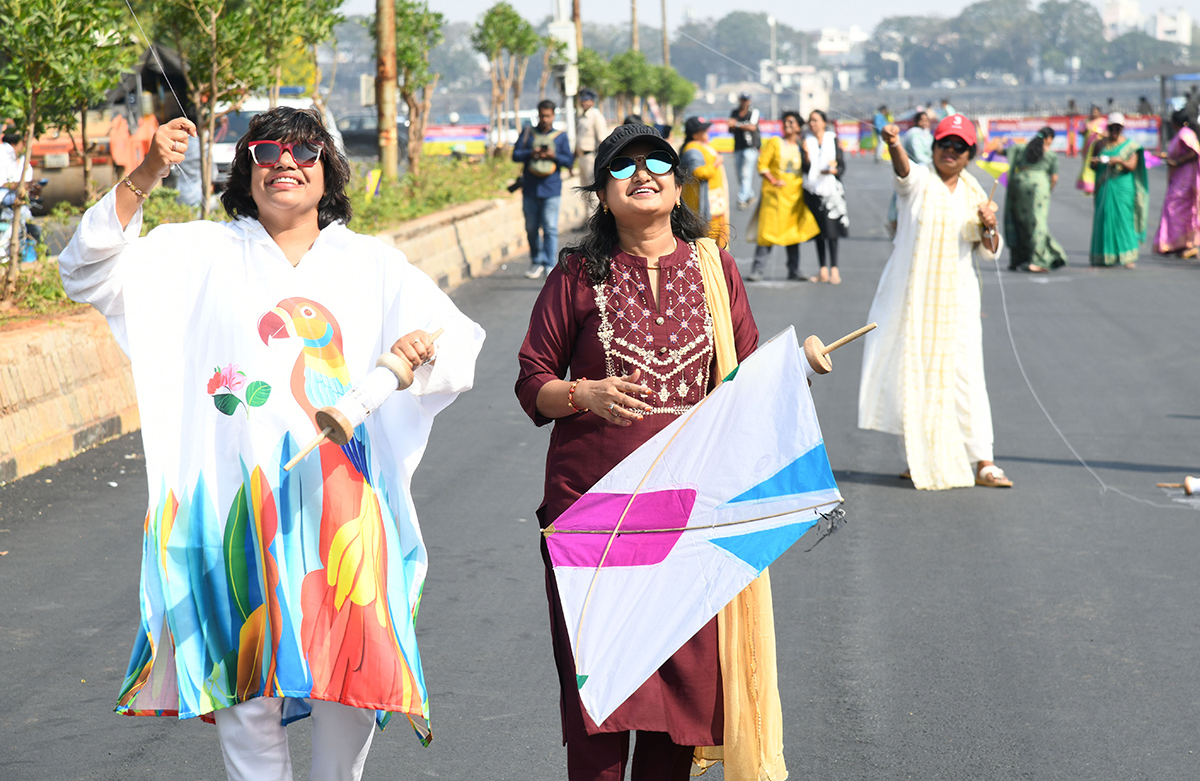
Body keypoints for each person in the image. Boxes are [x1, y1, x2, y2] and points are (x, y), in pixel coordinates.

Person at [58, 106, 486, 781]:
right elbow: (85, 269)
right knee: (247, 689)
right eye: (266, 151)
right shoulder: (195, 252)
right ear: (244, 172)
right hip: (232, 509)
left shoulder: (371, 264)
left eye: (305, 151)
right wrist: (148, 169)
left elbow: (459, 342)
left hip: (342, 514)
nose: (285, 163)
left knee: (348, 682)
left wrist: (420, 350)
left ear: (328, 169)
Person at [516, 121, 782, 781]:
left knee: (679, 706)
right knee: (600, 700)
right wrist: (585, 394)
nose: (642, 173)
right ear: (602, 194)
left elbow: (746, 382)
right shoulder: (577, 274)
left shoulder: (716, 269)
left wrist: (795, 370)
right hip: (594, 516)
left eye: (656, 161)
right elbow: (532, 381)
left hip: (689, 517)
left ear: (678, 180)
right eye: (622, 166)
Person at [859, 113, 1011, 490]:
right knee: (916, 371)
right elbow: (904, 174)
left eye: (959, 148)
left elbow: (990, 251)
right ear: (935, 146)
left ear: (970, 154)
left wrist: (991, 226)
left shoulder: (976, 192)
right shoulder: (921, 181)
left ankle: (984, 461)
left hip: (958, 302)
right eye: (945, 144)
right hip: (915, 299)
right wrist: (894, 143)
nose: (951, 152)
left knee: (966, 376)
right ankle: (921, 454)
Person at [747, 111, 819, 282]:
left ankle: (794, 269)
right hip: (774, 196)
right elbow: (762, 165)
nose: (787, 125)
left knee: (792, 233)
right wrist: (773, 180)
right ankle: (758, 269)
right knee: (767, 232)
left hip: (794, 197)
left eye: (791, 122)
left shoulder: (802, 146)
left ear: (798, 127)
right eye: (785, 122)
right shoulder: (775, 142)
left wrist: (808, 154)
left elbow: (808, 170)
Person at [514, 99, 575, 280]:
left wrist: (553, 155)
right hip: (530, 189)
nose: (545, 119)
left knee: (549, 228)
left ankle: (549, 264)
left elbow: (569, 161)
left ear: (553, 115)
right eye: (542, 115)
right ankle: (536, 261)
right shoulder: (528, 134)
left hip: (551, 189)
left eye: (548, 116)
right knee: (531, 228)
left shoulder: (560, 137)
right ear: (538, 115)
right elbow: (515, 155)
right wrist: (531, 153)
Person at [1003, 126, 1067, 272]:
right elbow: (1054, 178)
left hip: (1019, 185)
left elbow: (1005, 151)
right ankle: (1038, 259)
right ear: (1049, 138)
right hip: (1039, 187)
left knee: (1021, 221)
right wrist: (1048, 190)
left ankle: (1018, 258)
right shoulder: (1050, 155)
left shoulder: (1022, 149)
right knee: (1038, 223)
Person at [1089, 112, 1148, 268]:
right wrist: (1096, 163)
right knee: (1105, 218)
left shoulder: (1130, 146)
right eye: (1111, 128)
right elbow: (1092, 164)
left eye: (1118, 128)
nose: (1114, 131)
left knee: (1124, 219)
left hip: (1123, 186)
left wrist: (1118, 160)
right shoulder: (1100, 145)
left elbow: (1131, 166)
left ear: (1122, 129)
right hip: (1105, 185)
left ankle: (1128, 256)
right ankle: (1105, 256)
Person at [800, 109, 847, 283]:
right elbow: (805, 169)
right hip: (812, 191)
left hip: (831, 191)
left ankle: (834, 269)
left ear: (824, 122)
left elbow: (841, 166)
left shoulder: (833, 140)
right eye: (810, 121)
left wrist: (835, 171)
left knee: (832, 231)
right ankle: (823, 270)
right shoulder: (806, 141)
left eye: (816, 120)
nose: (813, 124)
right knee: (818, 232)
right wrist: (805, 154)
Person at [1153, 110, 1200, 259]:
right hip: (1179, 177)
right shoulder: (1181, 134)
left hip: (1186, 179)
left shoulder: (1185, 133)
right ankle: (1179, 243)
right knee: (1178, 210)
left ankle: (1185, 243)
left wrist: (1178, 162)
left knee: (1175, 208)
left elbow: (1194, 152)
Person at [679, 116, 731, 247]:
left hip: (714, 199)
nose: (707, 132)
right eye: (703, 130)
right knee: (709, 236)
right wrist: (716, 163)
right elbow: (698, 172)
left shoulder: (702, 146)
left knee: (718, 234)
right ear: (695, 134)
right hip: (705, 202)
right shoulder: (692, 149)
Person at [728, 93, 761, 209]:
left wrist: (736, 124)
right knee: (740, 175)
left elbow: (752, 127)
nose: (744, 102)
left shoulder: (753, 112)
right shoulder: (734, 112)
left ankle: (742, 198)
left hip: (750, 146)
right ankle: (750, 194)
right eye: (742, 100)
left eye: (746, 100)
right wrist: (733, 125)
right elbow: (730, 129)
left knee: (746, 173)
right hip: (738, 146)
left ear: (749, 101)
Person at [575, 88, 608, 193]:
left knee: (593, 191)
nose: (584, 102)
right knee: (584, 191)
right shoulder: (580, 117)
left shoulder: (596, 117)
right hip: (581, 158)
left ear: (592, 101)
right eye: (582, 100)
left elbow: (602, 139)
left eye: (586, 100)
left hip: (592, 157)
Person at [1076, 105, 1105, 195]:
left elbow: (1106, 133)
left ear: (1099, 113)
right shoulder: (1087, 121)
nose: (1094, 114)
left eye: (1096, 112)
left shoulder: (1103, 122)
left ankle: (1096, 186)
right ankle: (1088, 187)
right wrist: (1085, 128)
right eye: (1093, 112)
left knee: (1096, 165)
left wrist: (1097, 130)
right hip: (1087, 148)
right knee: (1088, 166)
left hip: (1098, 147)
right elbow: (1081, 132)